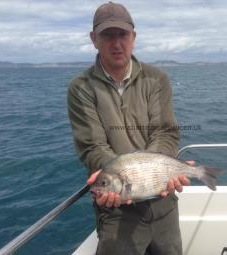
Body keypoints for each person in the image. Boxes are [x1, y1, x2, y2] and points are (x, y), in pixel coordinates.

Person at [67, 2, 191, 255]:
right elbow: (93, 146)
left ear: (134, 37)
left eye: (123, 34)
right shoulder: (81, 87)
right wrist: (116, 177)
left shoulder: (157, 79)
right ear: (93, 39)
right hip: (116, 209)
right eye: (107, 35)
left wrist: (160, 171)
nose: (116, 43)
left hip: (163, 202)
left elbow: (165, 132)